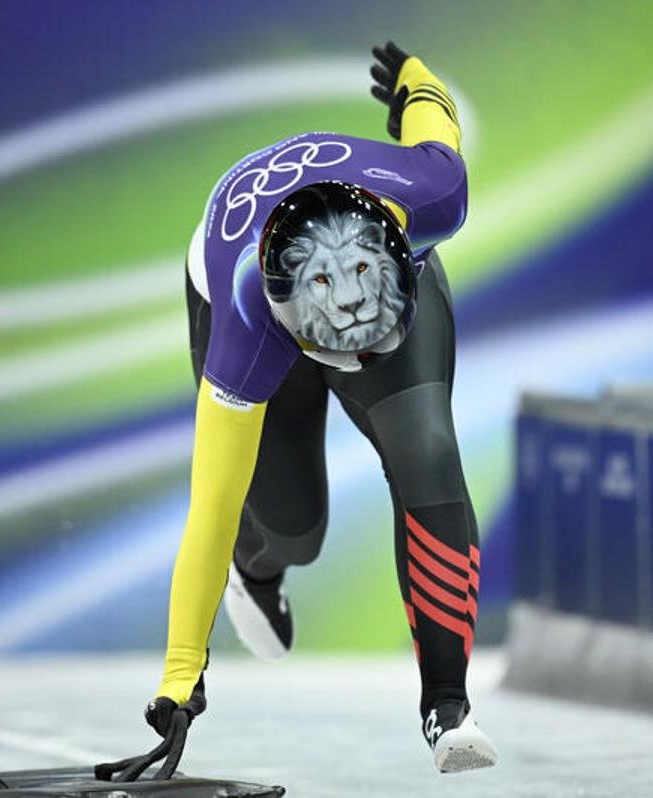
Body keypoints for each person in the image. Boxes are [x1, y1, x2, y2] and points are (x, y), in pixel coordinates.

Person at [147, 42, 497, 773]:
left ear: (403, 250)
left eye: (372, 329)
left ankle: (447, 703)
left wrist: (415, 80)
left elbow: (434, 125)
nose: (358, 351)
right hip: (254, 298)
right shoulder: (245, 324)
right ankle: (262, 569)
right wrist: (181, 675)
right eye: (340, 342)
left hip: (355, 260)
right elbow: (211, 508)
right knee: (292, 527)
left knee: (427, 451)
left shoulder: (432, 193)